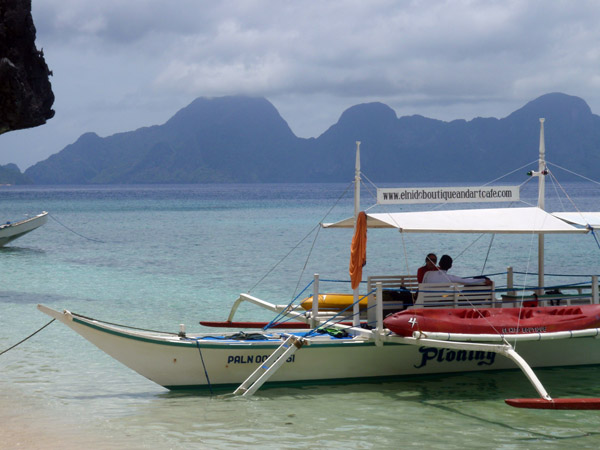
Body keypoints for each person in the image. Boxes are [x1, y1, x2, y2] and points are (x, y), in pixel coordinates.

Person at [422, 254, 492, 286]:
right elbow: (467, 281)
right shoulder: (450, 278)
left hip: (424, 301)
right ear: (450, 266)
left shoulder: (427, 274)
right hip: (439, 301)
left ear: (439, 264)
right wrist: (484, 280)